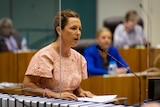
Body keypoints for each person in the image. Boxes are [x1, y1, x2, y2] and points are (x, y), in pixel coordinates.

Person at [23, 9, 93, 100]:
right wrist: (53, 94)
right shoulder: (45, 56)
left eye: (80, 29)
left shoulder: (79, 58)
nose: (78, 33)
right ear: (59, 30)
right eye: (73, 28)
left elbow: (72, 86)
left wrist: (80, 91)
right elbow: (27, 85)